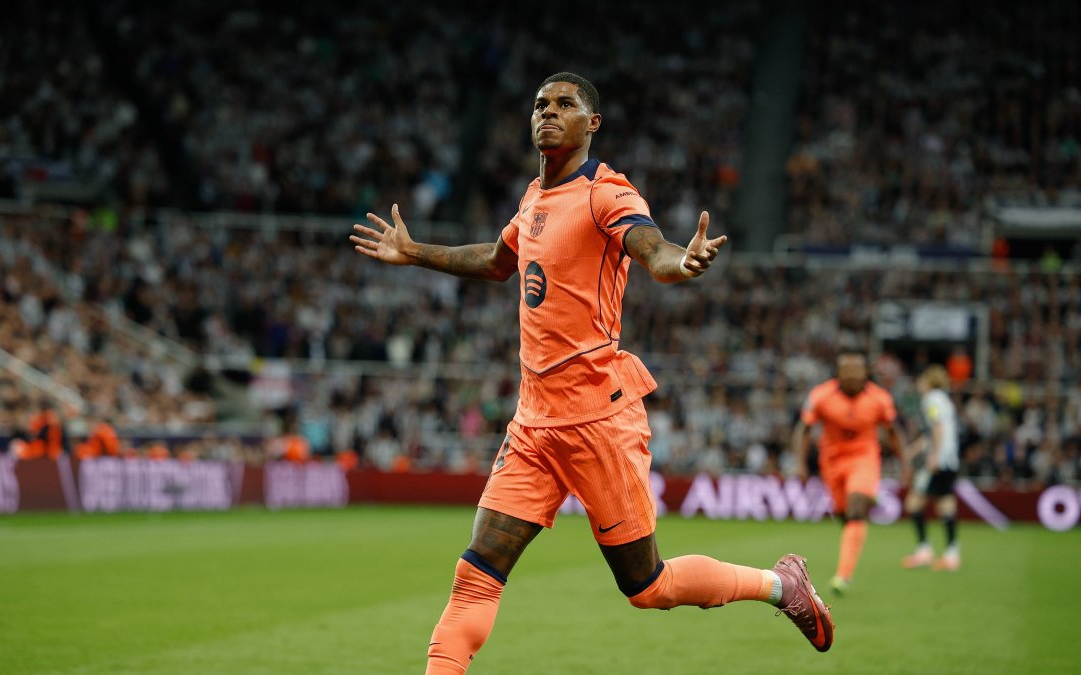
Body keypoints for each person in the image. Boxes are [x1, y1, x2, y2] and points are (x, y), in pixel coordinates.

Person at [351, 72, 833, 673]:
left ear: (592, 123)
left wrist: (680, 261)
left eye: (564, 105)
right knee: (475, 574)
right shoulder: (533, 197)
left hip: (598, 420)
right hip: (533, 426)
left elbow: (651, 248)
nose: (547, 113)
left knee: (648, 587)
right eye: (539, 105)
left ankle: (779, 586)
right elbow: (498, 261)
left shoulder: (607, 193)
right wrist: (415, 251)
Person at [792, 350, 904, 596]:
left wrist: (905, 463)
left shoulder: (880, 398)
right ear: (838, 373)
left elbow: (893, 432)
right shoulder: (821, 395)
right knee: (844, 514)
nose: (852, 374)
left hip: (864, 458)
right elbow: (804, 429)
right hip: (831, 462)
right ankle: (866, 501)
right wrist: (800, 462)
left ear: (866, 373)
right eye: (847, 370)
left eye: (857, 370)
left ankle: (843, 575)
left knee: (855, 508)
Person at [902, 365, 962, 571]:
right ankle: (950, 553)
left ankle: (926, 551)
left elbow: (937, 428)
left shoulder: (932, 400)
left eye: (921, 381)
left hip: (939, 460)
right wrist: (913, 450)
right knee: (945, 502)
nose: (919, 385)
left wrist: (934, 457)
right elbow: (933, 433)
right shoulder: (944, 400)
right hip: (950, 459)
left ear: (928, 382)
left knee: (914, 503)